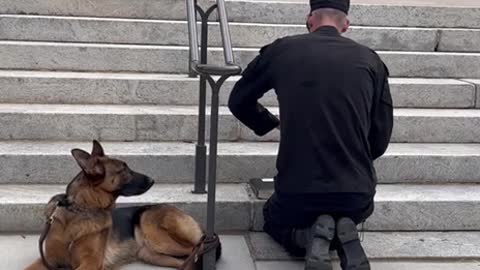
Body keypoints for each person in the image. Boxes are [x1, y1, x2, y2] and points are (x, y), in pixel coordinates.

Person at [228, 0, 393, 269]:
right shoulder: (371, 60)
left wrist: (271, 122)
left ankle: (306, 237)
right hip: (356, 196)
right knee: (347, 212)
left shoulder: (282, 51)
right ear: (346, 24)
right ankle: (342, 237)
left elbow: (238, 102)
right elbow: (380, 138)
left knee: (271, 217)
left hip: (298, 193)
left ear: (309, 20)